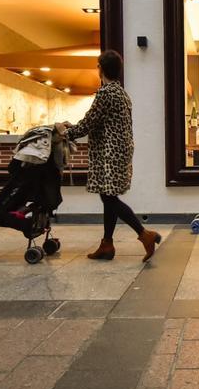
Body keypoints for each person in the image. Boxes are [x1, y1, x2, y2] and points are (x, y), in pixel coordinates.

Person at [64, 50, 161, 262]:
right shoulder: (122, 93)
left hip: (109, 153)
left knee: (108, 197)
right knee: (108, 197)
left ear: (101, 69)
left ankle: (145, 235)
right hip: (120, 151)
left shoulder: (106, 93)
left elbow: (89, 123)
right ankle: (107, 244)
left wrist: (66, 132)